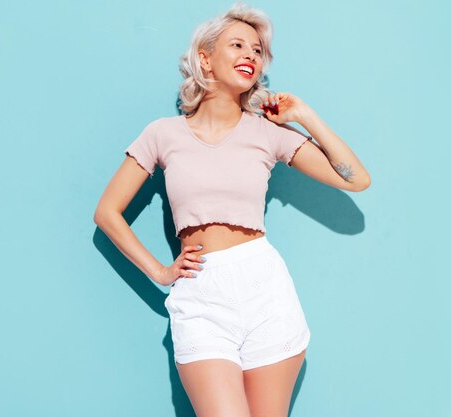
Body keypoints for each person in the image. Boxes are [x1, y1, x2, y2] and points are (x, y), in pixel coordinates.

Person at [93, 2, 371, 416]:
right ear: (205, 58)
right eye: (237, 44)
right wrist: (160, 271)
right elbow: (107, 212)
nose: (250, 55)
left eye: (257, 51)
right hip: (202, 294)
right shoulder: (162, 134)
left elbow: (356, 179)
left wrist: (304, 116)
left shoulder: (268, 132)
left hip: (264, 288)